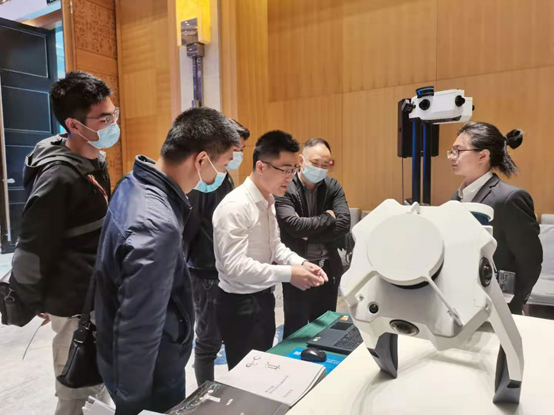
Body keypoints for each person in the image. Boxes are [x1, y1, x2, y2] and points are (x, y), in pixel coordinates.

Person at [94, 107, 239, 415]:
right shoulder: (156, 225)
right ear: (201, 160)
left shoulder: (133, 182)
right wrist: (133, 402)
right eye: (224, 164)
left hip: (127, 355)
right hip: (152, 371)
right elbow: (140, 326)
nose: (223, 173)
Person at [9, 71, 116, 415]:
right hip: (73, 303)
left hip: (95, 294)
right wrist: (32, 298)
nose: (112, 123)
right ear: (73, 124)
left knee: (99, 386)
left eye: (113, 114)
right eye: (104, 119)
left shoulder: (94, 160)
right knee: (77, 393)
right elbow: (32, 247)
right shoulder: (58, 177)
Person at [212, 130, 328, 370]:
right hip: (239, 304)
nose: (290, 177)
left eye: (293, 170)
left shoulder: (269, 200)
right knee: (244, 376)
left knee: (263, 367)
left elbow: (275, 247)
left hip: (263, 298)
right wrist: (289, 274)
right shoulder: (235, 206)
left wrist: (300, 263)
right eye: (284, 170)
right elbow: (235, 267)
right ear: (261, 166)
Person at [448, 121, 542, 315]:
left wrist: (513, 304)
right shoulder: (457, 197)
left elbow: (530, 261)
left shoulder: (509, 198)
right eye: (451, 151)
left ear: (483, 155)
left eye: (458, 151)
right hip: (463, 300)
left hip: (498, 305)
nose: (452, 157)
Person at [183, 119, 250, 387]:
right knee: (208, 341)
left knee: (232, 335)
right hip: (206, 272)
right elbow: (189, 232)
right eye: (235, 150)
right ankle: (205, 397)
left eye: (241, 150)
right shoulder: (202, 182)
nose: (237, 156)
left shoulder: (223, 176)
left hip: (226, 270)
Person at [275, 138, 351, 338]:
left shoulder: (332, 186)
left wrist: (308, 234)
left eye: (325, 165)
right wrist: (328, 218)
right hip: (298, 268)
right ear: (301, 160)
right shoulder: (286, 187)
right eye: (315, 163)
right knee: (296, 330)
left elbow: (344, 223)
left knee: (325, 327)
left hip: (327, 268)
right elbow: (294, 226)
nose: (320, 169)